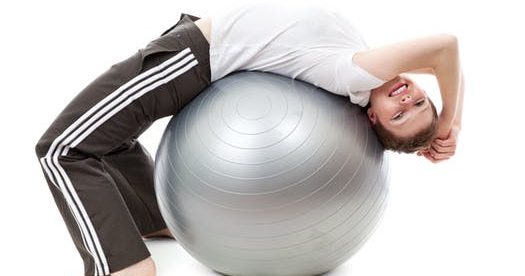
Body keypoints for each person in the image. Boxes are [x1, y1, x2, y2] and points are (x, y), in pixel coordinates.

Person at [34, 3, 463, 276]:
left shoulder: (353, 73)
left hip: (191, 57)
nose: (408, 98)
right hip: (197, 46)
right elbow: (441, 64)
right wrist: (440, 120)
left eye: (399, 115)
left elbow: (445, 46)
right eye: (421, 101)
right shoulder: (369, 71)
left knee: (62, 149)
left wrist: (448, 123)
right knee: (110, 134)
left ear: (372, 118)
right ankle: (155, 218)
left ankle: (123, 265)